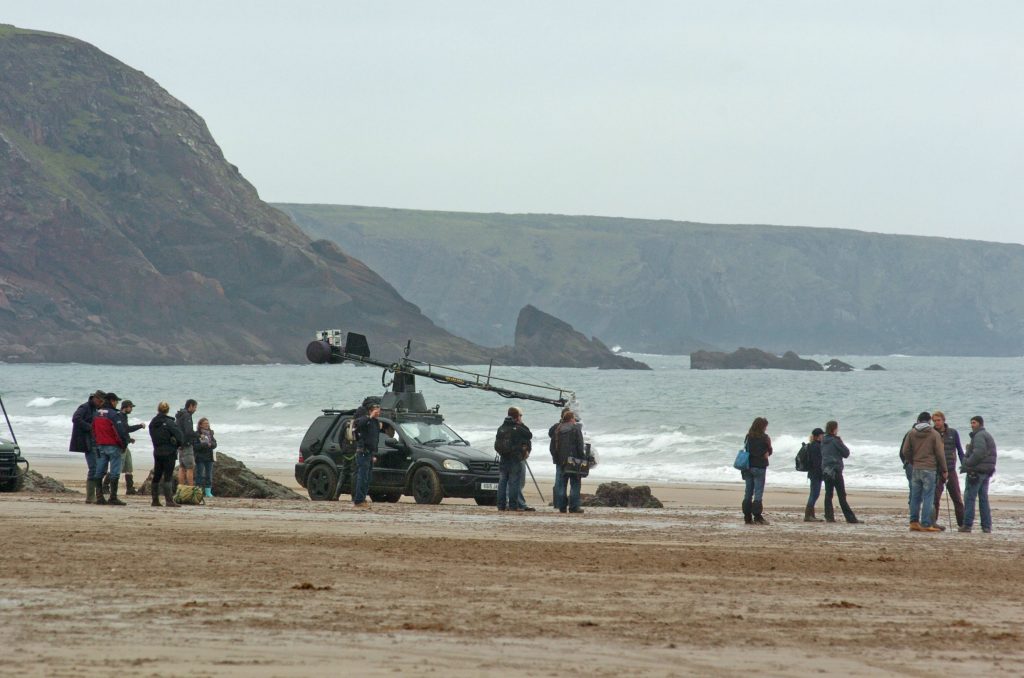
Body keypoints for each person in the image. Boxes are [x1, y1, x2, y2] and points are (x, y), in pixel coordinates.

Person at [900, 411, 947, 532]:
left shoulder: (912, 432)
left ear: (918, 420)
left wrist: (913, 461)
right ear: (929, 421)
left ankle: (914, 522)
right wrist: (944, 469)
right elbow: (940, 453)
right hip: (930, 468)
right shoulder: (933, 433)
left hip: (916, 468)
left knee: (915, 496)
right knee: (928, 497)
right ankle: (926, 523)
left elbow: (905, 451)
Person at [91, 392, 131, 506]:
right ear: (112, 401)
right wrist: (124, 444)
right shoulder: (114, 414)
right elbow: (120, 431)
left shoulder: (96, 413)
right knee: (115, 472)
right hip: (113, 445)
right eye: (116, 401)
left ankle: (99, 496)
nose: (117, 403)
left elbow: (93, 429)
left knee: (99, 471)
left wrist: (96, 443)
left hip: (100, 445)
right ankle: (113, 497)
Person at [960, 415, 997, 533]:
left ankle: (967, 525)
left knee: (970, 498)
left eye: (974, 423)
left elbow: (979, 453)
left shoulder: (979, 435)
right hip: (986, 471)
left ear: (980, 424)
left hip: (977, 471)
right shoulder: (986, 435)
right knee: (983, 499)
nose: (972, 425)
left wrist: (967, 463)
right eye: (971, 422)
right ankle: (986, 526)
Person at [820, 421, 861, 524]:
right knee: (841, 495)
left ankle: (829, 517)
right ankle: (850, 518)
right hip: (835, 469)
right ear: (834, 429)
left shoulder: (823, 440)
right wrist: (840, 442)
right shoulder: (835, 440)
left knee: (828, 494)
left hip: (825, 470)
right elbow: (846, 453)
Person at [495, 406, 534, 512]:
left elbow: (497, 445)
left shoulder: (501, 428)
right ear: (517, 417)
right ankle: (513, 505)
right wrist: (520, 423)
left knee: (502, 482)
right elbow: (529, 435)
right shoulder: (517, 428)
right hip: (514, 459)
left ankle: (501, 505)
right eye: (520, 416)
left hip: (503, 458)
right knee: (514, 482)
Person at [931, 410, 966, 529]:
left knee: (957, 498)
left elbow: (960, 450)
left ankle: (962, 524)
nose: (937, 423)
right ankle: (933, 523)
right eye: (934, 421)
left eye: (938, 420)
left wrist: (964, 465)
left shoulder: (953, 433)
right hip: (936, 471)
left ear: (943, 420)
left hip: (951, 469)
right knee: (935, 498)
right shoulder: (931, 433)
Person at [70, 390, 105, 503]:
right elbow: (75, 418)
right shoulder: (84, 407)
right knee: (93, 468)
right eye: (100, 401)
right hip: (87, 442)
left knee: (99, 468)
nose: (101, 404)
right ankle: (90, 497)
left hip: (95, 442)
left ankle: (94, 495)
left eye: (102, 402)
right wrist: (90, 427)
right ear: (95, 398)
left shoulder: (95, 409)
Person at [550, 410, 586, 514]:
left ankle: (562, 507)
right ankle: (574, 507)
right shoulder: (576, 429)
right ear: (571, 419)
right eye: (574, 418)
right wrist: (583, 459)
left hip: (561, 461)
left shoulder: (557, 429)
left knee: (561, 485)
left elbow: (552, 447)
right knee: (575, 484)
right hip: (574, 461)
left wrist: (556, 458)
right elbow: (580, 446)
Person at [149, 401, 185, 508]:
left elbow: (152, 435)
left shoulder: (153, 422)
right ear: (167, 410)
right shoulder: (169, 422)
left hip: (157, 451)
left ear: (158, 409)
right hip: (169, 451)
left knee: (157, 475)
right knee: (168, 476)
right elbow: (180, 436)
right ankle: (169, 500)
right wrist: (177, 444)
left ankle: (155, 500)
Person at [740, 416, 772, 525]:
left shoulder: (749, 437)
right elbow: (769, 451)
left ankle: (747, 517)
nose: (766, 428)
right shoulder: (765, 438)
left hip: (748, 466)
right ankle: (757, 516)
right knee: (758, 492)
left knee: (748, 493)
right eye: (765, 426)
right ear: (762, 427)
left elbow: (747, 449)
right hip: (760, 467)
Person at [352, 404, 382, 508]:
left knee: (368, 478)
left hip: (370, 452)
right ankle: (358, 500)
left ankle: (363, 498)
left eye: (379, 411)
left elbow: (375, 439)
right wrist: (370, 417)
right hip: (363, 452)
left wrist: (374, 453)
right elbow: (359, 425)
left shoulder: (376, 422)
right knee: (362, 476)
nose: (378, 413)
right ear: (370, 411)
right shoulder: (364, 419)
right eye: (375, 411)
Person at [175, 399, 198, 487]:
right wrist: (198, 435)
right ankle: (191, 488)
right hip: (187, 444)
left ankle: (181, 487)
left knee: (182, 467)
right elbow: (189, 431)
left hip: (180, 444)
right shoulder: (187, 415)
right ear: (191, 406)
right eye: (195, 407)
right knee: (190, 468)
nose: (195, 409)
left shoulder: (180, 415)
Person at [803, 427, 825, 522]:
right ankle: (808, 515)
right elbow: (817, 462)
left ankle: (811, 515)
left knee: (814, 493)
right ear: (818, 436)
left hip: (812, 473)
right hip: (816, 473)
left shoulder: (813, 445)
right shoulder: (816, 446)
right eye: (822, 435)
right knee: (814, 494)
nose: (823, 436)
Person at [194, 417, 218, 498]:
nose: (207, 425)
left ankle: (208, 492)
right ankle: (198, 492)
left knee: (209, 475)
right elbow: (195, 446)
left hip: (209, 457)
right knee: (199, 475)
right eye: (205, 423)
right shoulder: (196, 434)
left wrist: (211, 444)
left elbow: (215, 444)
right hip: (200, 457)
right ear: (200, 425)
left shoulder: (210, 433)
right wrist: (204, 444)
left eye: (208, 423)